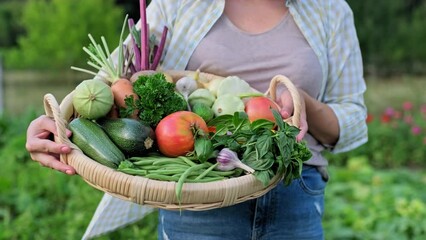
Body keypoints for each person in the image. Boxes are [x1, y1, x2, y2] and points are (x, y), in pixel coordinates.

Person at [26, 0, 368, 239]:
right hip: (196, 193)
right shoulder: (179, 4)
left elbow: (353, 115)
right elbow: (108, 82)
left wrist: (302, 102)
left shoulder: (330, 10)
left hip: (294, 188)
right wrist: (56, 120)